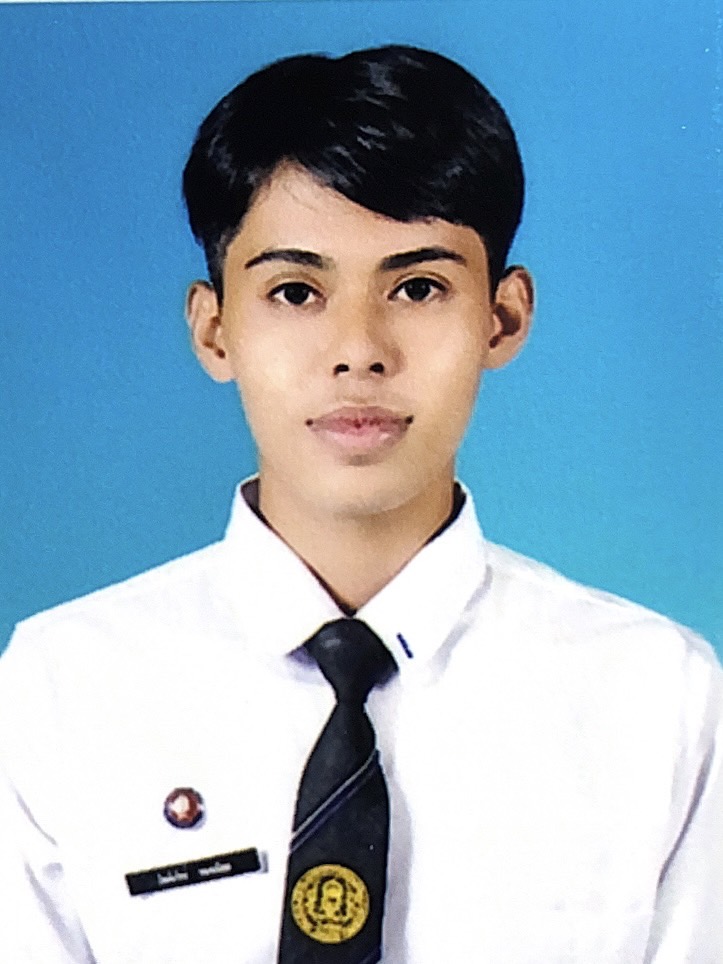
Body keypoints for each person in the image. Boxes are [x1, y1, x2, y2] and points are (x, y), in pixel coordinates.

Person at [0, 44, 720, 964]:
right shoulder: (60, 688)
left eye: (417, 287)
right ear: (214, 330)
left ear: (502, 317)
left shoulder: (655, 698)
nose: (358, 349)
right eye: (295, 292)